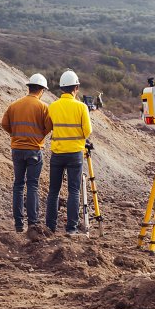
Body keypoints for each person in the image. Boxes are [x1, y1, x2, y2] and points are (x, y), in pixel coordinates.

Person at [1, 74, 52, 233]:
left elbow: (4, 124)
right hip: (34, 149)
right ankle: (33, 223)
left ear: (29, 87)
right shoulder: (43, 107)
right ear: (42, 90)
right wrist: (39, 136)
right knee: (32, 185)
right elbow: (49, 127)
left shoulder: (14, 105)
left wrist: (16, 134)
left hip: (17, 149)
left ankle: (18, 224)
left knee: (18, 185)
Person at [45, 69, 92, 235]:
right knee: (74, 191)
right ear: (76, 87)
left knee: (53, 191)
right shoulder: (81, 107)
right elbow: (87, 132)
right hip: (75, 154)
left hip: (57, 154)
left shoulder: (53, 107)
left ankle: (50, 227)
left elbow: (48, 128)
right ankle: (71, 228)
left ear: (61, 88)